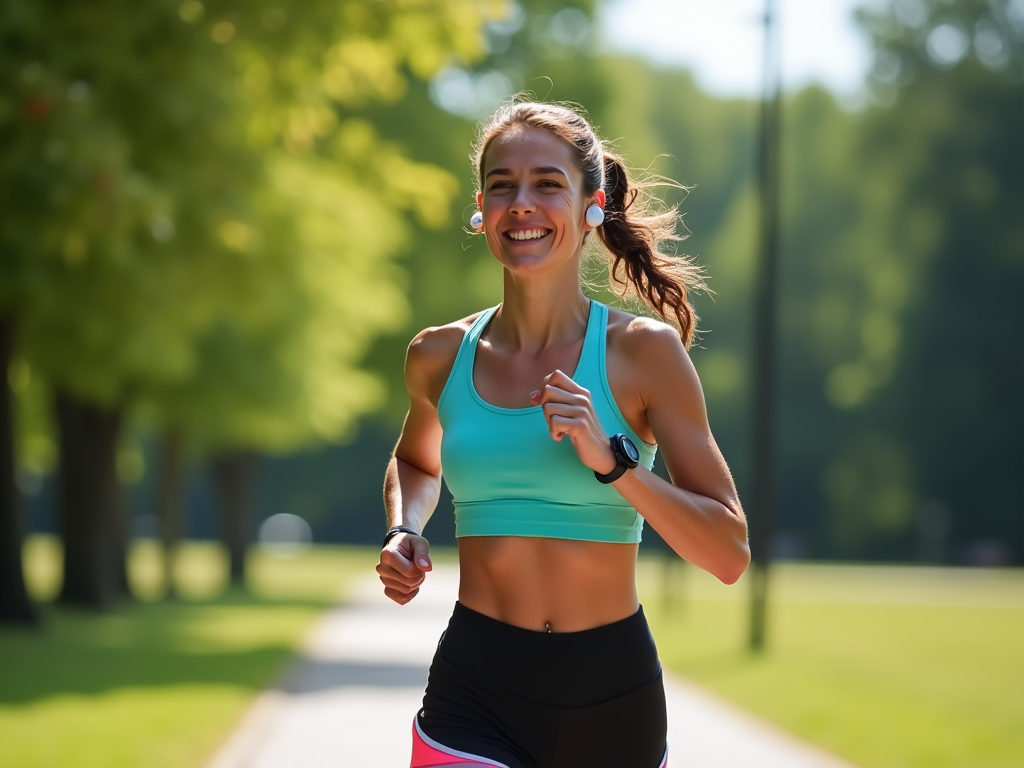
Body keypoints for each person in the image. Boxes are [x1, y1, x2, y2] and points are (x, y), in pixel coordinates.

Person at [377, 100, 750, 768]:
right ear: (481, 208)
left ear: (590, 205)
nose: (522, 202)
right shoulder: (437, 355)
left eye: (547, 184)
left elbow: (728, 552)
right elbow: (416, 460)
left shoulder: (644, 355)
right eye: (502, 185)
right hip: (473, 692)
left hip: (611, 697)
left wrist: (614, 464)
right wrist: (406, 528)